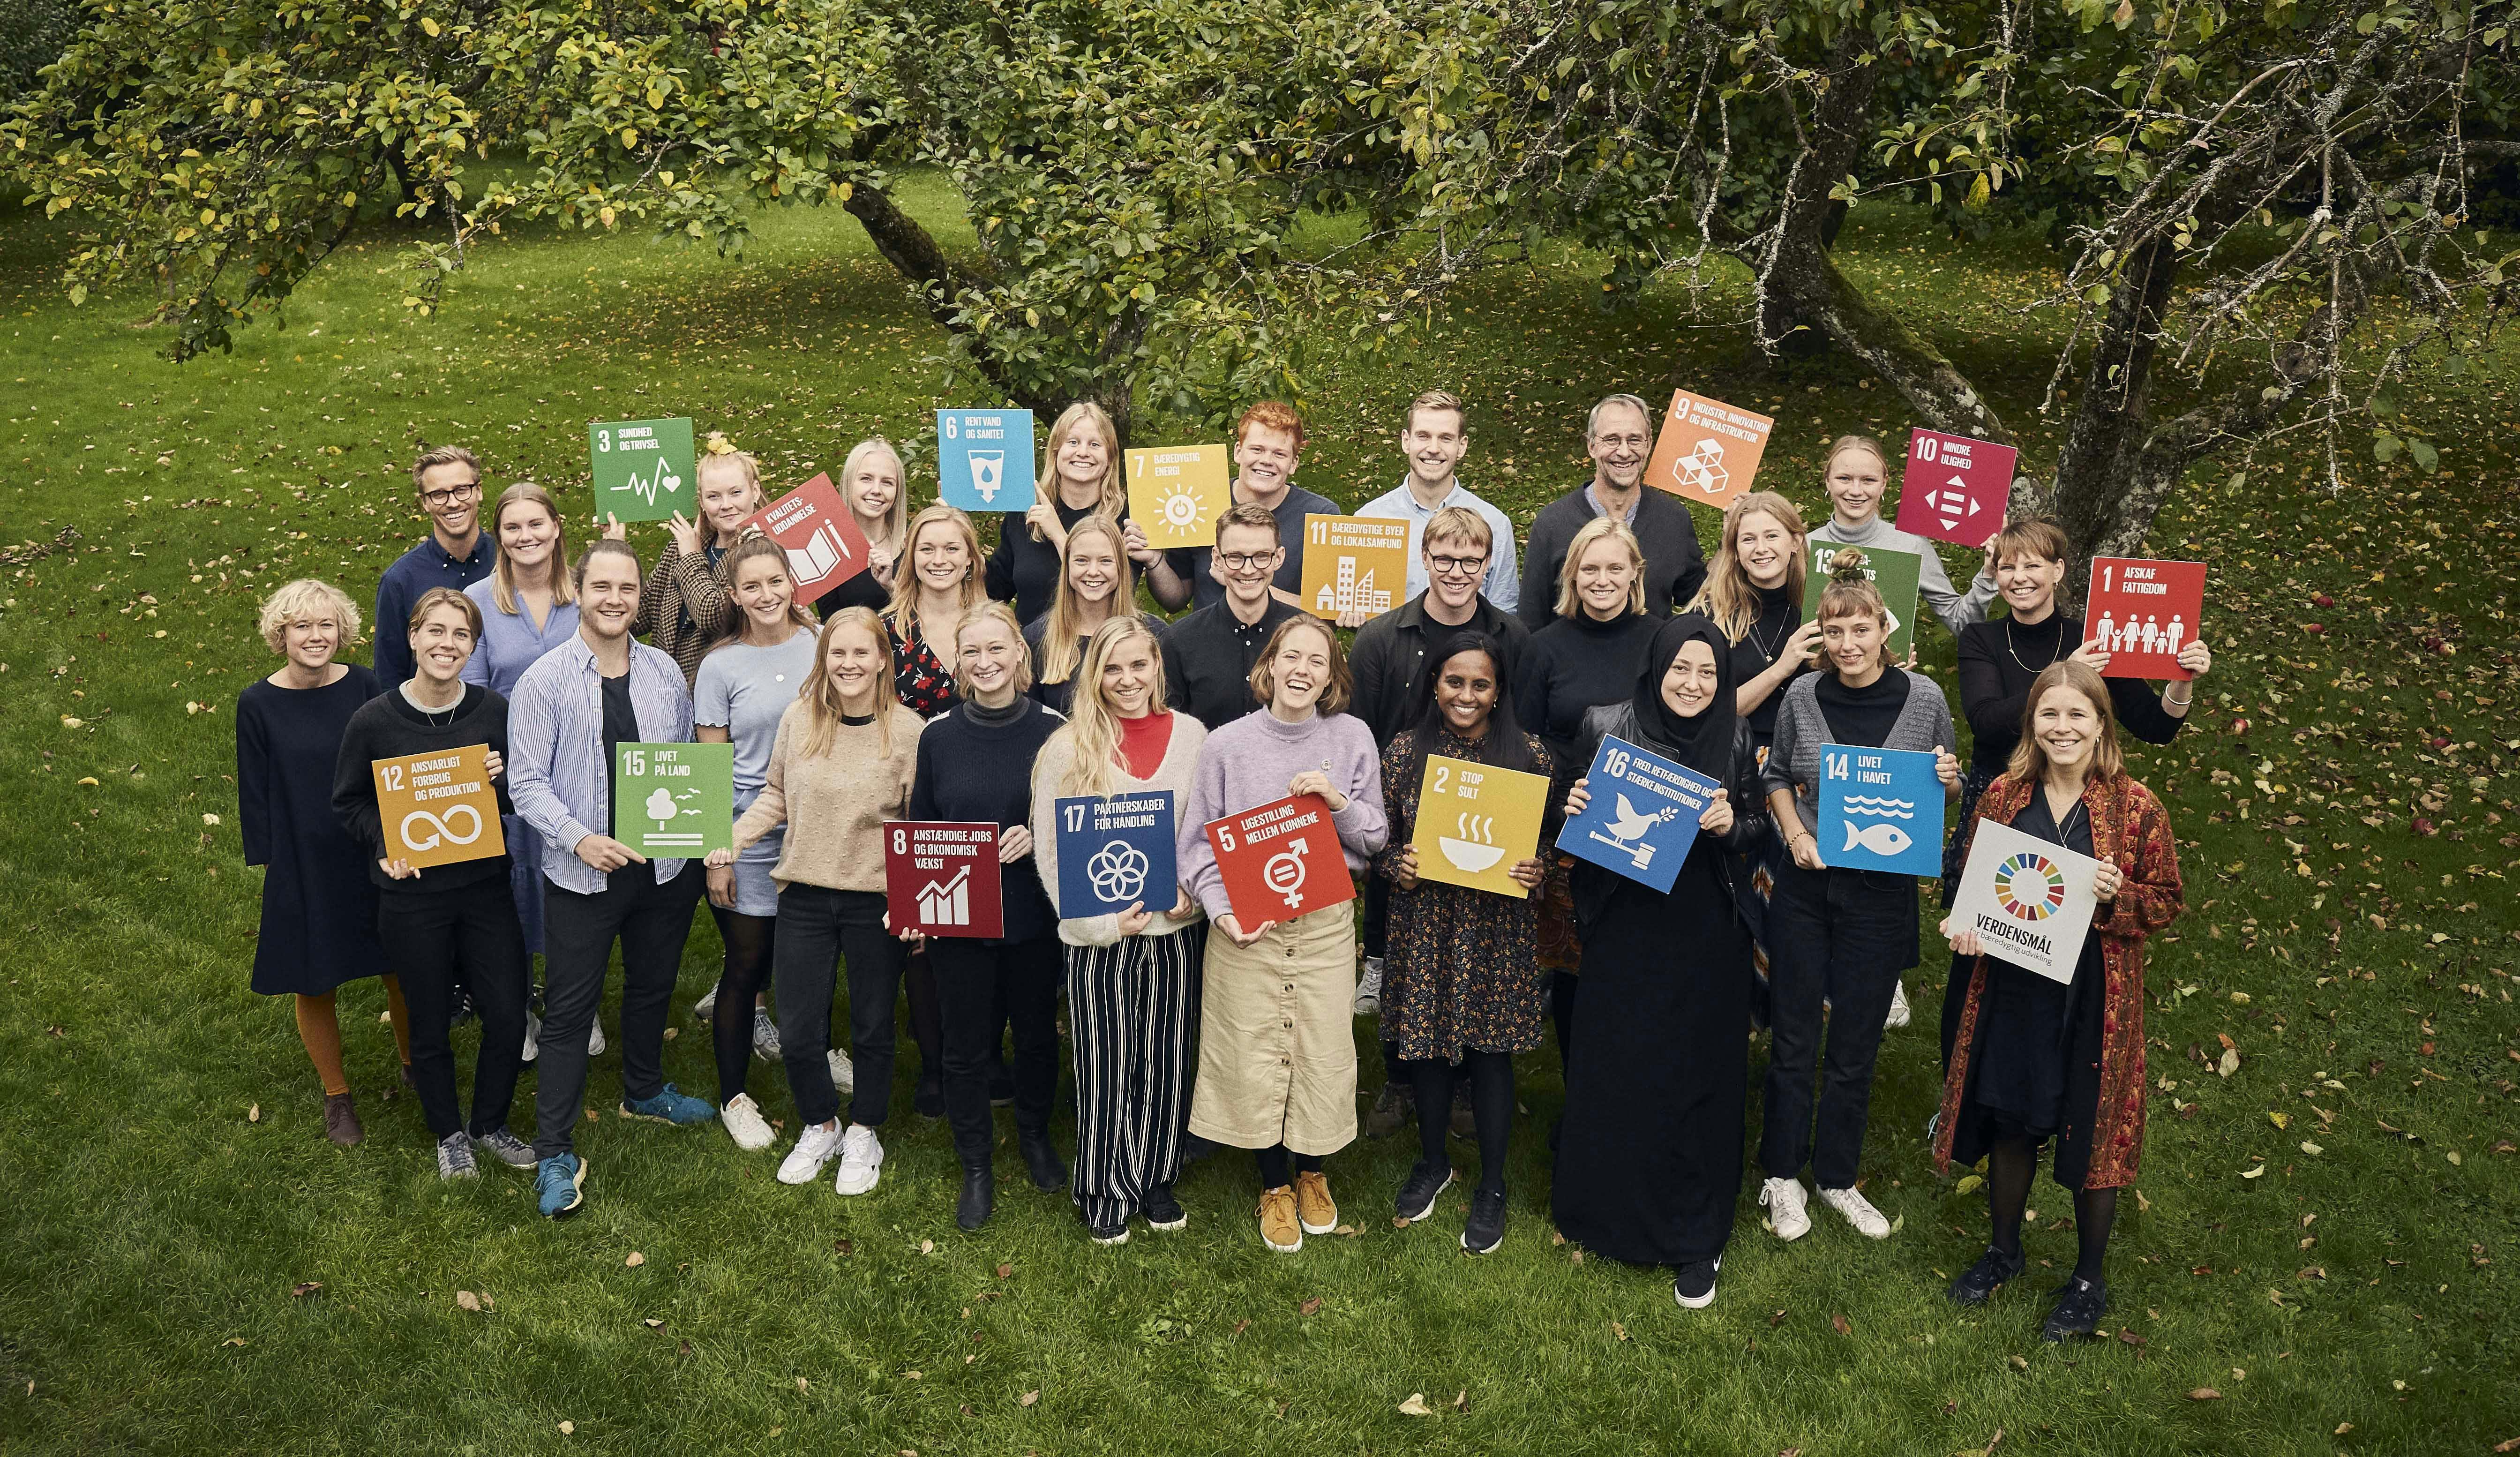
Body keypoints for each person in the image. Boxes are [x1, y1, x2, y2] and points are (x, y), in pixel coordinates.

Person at [1935, 661, 2185, 1341]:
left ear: (2101, 724)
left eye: (2078, 715)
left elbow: (2166, 900)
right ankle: (2003, 1253)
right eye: (2050, 714)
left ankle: (2087, 1281)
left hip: (2094, 1000)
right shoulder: (2005, 796)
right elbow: (1969, 878)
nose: (2063, 727)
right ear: (2032, 723)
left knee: (2093, 1132)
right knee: (2012, 1120)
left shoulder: (2136, 806)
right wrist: (1963, 925)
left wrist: (2119, 896)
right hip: (2014, 991)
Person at [1552, 616, 1771, 1309]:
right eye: (1682, 668)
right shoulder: (1603, 725)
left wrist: (1730, 825)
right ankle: (1604, 1212)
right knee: (1619, 1065)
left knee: (1696, 1077)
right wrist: (1574, 805)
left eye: (1708, 672)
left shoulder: (1734, 736)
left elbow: (1758, 830)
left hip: (1707, 931)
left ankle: (1693, 1233)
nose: (1694, 683)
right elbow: (1570, 829)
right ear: (1656, 668)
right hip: (1624, 925)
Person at [1940, 517, 2210, 1071]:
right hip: (2004, 809)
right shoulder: (1982, 639)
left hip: (2081, 810)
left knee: (2061, 948)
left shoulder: (2097, 640)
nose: (2019, 577)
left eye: (2033, 565)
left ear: (2059, 571)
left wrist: (2183, 679)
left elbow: (2155, 727)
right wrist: (2065, 676)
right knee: (1979, 956)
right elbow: (1987, 722)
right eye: (2007, 566)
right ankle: (1960, 1089)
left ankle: (2045, 1087)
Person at [508, 539, 716, 1219]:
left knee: (654, 985)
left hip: (664, 869)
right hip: (582, 873)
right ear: (581, 588)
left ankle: (644, 1089)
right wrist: (581, 838)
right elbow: (526, 784)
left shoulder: (663, 672)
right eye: (603, 586)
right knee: (570, 1011)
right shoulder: (544, 681)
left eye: (628, 588)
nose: (616, 599)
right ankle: (556, 1152)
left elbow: (686, 763)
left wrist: (702, 837)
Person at [1758, 550, 1962, 1242]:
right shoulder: (1803, 698)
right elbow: (1778, 775)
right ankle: (1782, 1175)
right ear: (1823, 636)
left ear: (1885, 629)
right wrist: (1792, 835)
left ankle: (1838, 1177)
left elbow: (1947, 791)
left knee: (1855, 1045)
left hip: (1879, 896)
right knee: (1793, 1037)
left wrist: (1951, 778)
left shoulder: (1927, 699)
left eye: (1861, 630)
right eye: (1835, 632)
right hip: (1807, 888)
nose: (1848, 645)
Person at [1178, 617, 1388, 1253]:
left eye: (1316, 661)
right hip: (1249, 929)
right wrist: (1223, 912)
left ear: (1331, 676)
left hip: (1323, 925)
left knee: (1321, 1049)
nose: (1302, 669)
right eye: (1290, 656)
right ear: (1268, 666)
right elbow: (1195, 850)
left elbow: (1375, 840)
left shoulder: (1351, 738)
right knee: (1252, 1052)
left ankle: (1313, 1173)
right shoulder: (1226, 746)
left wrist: (1337, 801)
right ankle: (1274, 1184)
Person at [711, 608, 925, 1197]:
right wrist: (733, 837)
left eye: (862, 653)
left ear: (883, 660)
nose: (849, 664)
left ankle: (865, 1131)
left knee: (873, 1026)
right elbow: (774, 794)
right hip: (804, 893)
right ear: (823, 659)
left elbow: (918, 828)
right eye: (838, 653)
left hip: (875, 902)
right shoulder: (799, 720)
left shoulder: (908, 732)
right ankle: (822, 1122)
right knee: (801, 1031)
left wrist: (909, 902)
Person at [331, 588, 536, 1179]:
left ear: (473, 647)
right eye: (437, 632)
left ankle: (490, 1123)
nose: (448, 645)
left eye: (461, 636)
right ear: (413, 638)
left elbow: (520, 799)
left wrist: (503, 781)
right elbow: (349, 803)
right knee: (428, 1019)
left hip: (485, 890)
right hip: (412, 897)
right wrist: (386, 844)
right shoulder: (373, 720)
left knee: (506, 1013)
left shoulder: (493, 711)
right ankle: (449, 1133)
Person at [1346, 503, 1528, 1128]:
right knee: (1406, 956)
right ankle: (1402, 1077)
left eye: (1470, 560)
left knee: (1475, 958)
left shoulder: (1512, 638)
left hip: (1487, 824)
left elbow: (1517, 731)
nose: (1456, 570)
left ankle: (1469, 1086)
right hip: (1405, 820)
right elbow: (1361, 737)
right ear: (1424, 559)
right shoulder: (1378, 638)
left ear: (1488, 564)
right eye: (1444, 558)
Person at [1028, 617, 1210, 1243]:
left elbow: (1205, 835)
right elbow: (1052, 856)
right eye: (1113, 669)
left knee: (1166, 1059)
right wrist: (1101, 924)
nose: (1128, 681)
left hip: (1175, 932)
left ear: (1157, 667)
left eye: (1139, 666)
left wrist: (1197, 895)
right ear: (1094, 675)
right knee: (1106, 1061)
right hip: (1101, 938)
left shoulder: (1193, 738)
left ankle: (1156, 1175)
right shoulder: (1066, 748)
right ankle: (1105, 1182)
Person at [1372, 632, 1553, 1254]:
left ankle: (1494, 1185)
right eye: (1455, 682)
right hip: (1425, 924)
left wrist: (1539, 870)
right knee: (1423, 1049)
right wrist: (1400, 865)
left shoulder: (1530, 757)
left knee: (1490, 1054)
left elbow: (1549, 847)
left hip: (1496, 928)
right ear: (1434, 684)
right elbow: (1378, 845)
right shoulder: (1402, 754)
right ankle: (1433, 1162)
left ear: (1498, 690)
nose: (1466, 695)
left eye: (1480, 684)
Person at [907, 604, 1068, 1229]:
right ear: (959, 664)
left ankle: (1034, 1135)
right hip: (958, 918)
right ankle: (976, 1163)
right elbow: (922, 825)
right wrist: (917, 907)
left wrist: (1038, 832)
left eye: (997, 649)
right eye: (972, 653)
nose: (986, 662)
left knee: (1033, 1037)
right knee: (965, 1047)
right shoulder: (938, 736)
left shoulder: (1056, 731)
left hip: (1033, 914)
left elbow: (1076, 817)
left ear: (1019, 657)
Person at [236, 578, 405, 1146]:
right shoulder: (257, 703)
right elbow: (254, 789)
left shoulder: (364, 686)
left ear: (343, 630)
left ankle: (416, 1068)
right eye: (302, 626)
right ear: (280, 634)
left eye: (326, 624)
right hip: (304, 858)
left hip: (373, 847)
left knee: (401, 965)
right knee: (315, 981)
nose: (315, 636)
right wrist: (273, 865)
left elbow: (393, 762)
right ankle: (337, 1096)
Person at [693, 535, 826, 1153]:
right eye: (752, 586)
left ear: (792, 583)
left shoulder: (823, 647)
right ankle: (734, 1096)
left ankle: (817, 1058)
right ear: (734, 596)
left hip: (820, 833)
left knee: (813, 963)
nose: (766, 595)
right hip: (748, 836)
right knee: (747, 967)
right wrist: (716, 852)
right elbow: (711, 768)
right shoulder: (719, 666)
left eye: (775, 582)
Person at [1515, 516, 1664, 1068]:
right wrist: (1551, 811)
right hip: (1568, 828)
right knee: (1577, 971)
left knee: (1641, 970)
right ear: (1571, 577)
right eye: (1590, 569)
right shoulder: (1542, 648)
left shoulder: (1662, 641)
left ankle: (1634, 1091)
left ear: (1635, 575)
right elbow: (1524, 743)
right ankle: (1580, 1089)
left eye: (1615, 568)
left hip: (1650, 829)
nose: (1602, 580)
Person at [1685, 490, 1820, 1024]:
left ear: (1795, 541)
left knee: (1795, 900)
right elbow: (1711, 710)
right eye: (1748, 540)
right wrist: (1783, 667)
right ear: (1733, 550)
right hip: (1739, 765)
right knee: (1738, 895)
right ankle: (1731, 1011)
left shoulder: (1823, 603)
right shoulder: (1712, 611)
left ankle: (1789, 1014)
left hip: (1808, 772)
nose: (1761, 548)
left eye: (1772, 536)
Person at [461, 482, 582, 1055]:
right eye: (513, 527)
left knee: (576, 887)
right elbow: (476, 694)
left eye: (537, 524)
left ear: (557, 528)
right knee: (515, 889)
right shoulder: (479, 600)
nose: (526, 536)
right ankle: (521, 1007)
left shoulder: (586, 594)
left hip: (583, 769)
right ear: (499, 536)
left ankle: (572, 1003)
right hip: (508, 773)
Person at [985, 401, 1192, 622]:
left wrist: (1153, 559)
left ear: (1110, 457)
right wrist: (954, 528)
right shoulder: (1027, 514)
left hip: (1108, 650)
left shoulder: (1129, 518)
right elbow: (991, 593)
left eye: (1095, 445)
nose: (1083, 452)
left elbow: (1175, 602)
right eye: (1073, 442)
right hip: (1034, 650)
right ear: (1056, 452)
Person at [1515, 394, 1704, 632]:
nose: (1624, 452)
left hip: (1653, 665)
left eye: (1635, 440)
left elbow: (1700, 598)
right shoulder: (1553, 524)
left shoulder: (1674, 520)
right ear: (1592, 446)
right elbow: (1531, 620)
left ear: (1649, 444)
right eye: (1612, 440)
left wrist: (1729, 542)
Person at [1806, 433, 1998, 638]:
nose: (1856, 491)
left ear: (1884, 484)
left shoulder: (1911, 546)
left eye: (1868, 480)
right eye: (1844, 478)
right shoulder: (1803, 548)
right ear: (1827, 480)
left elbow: (1962, 623)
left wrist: (1988, 574)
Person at [1163, 401, 1339, 612]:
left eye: (1279, 454)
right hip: (1210, 641)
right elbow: (1175, 601)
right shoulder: (1199, 502)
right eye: (1257, 450)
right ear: (1239, 452)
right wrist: (1153, 559)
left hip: (1288, 642)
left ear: (1294, 464)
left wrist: (1245, 582)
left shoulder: (1320, 516)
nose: (1266, 460)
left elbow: (1327, 611)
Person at [1354, 390, 1519, 611]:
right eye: (1423, 436)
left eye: (1445, 438)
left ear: (1462, 446)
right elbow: (1355, 601)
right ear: (1406, 441)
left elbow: (1505, 613)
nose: (1433, 449)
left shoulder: (1495, 524)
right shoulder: (1368, 520)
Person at [615, 442, 767, 680]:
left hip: (723, 691)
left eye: (736, 493)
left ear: (755, 491)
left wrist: (691, 559)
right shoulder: (685, 544)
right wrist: (617, 550)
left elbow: (714, 616)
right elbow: (637, 616)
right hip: (665, 688)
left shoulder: (760, 550)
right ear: (702, 502)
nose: (726, 505)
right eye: (714, 497)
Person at [1161, 502, 1301, 730]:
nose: (1248, 570)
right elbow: (1168, 730)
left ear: (1279, 557)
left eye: (1262, 556)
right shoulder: (1179, 641)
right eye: (1235, 557)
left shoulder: (1305, 636)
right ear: (1216, 558)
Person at [375, 444, 496, 685]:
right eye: (439, 494)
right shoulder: (400, 581)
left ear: (479, 491)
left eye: (462, 490)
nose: (453, 503)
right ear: (424, 503)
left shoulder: (508, 562)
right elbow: (389, 678)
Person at [1024, 515, 1160, 716]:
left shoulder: (1154, 633)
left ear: (1121, 566)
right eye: (1082, 561)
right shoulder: (1037, 638)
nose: (1093, 571)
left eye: (1106, 561)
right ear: (1067, 565)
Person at [886, 503, 988, 720]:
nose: (939, 560)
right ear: (911, 557)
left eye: (951, 549)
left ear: (969, 557)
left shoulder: (995, 628)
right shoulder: (885, 632)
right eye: (927, 549)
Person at [813, 437, 912, 618]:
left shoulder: (916, 543)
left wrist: (951, 526)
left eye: (887, 482)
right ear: (849, 483)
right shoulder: (827, 548)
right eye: (866, 479)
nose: (877, 490)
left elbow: (932, 613)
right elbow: (830, 622)